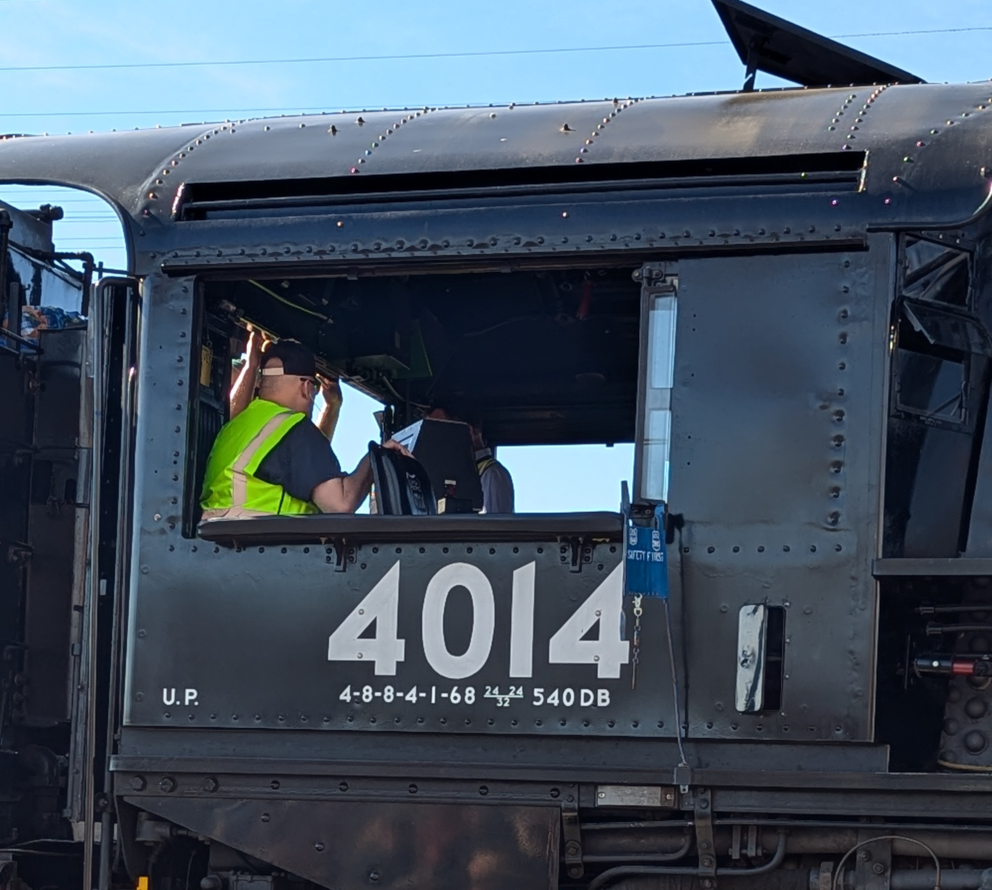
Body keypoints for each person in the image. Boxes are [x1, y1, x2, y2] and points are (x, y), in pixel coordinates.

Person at [201, 338, 409, 519]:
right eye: (315, 388)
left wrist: (332, 406)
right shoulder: (292, 427)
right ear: (306, 388)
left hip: (226, 545)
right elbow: (340, 504)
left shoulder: (235, 428)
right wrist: (376, 458)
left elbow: (305, 467)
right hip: (267, 551)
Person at [427, 402, 515, 514]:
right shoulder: (448, 474)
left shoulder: (491, 474)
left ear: (467, 431)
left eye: (440, 430)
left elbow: (494, 529)